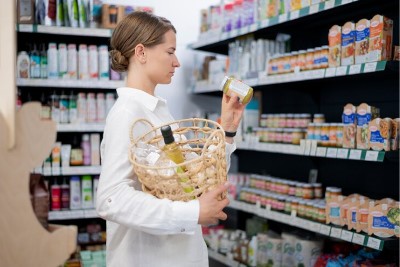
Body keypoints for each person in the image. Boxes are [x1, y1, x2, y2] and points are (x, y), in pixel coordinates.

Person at [96, 11, 246, 267]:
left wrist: (228, 130)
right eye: (170, 51)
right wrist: (193, 212)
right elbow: (112, 198)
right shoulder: (127, 113)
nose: (177, 62)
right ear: (141, 52)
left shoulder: (157, 113)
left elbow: (194, 181)